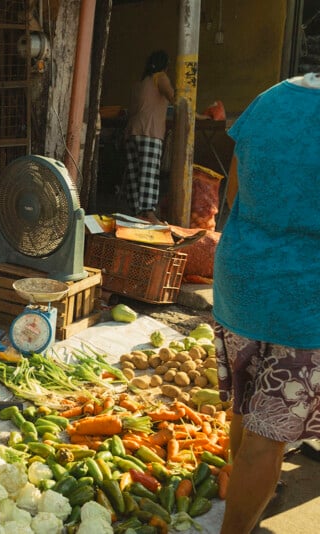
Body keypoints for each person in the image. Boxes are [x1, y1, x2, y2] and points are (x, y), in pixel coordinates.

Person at [213, 71, 320, 534]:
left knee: (245, 404)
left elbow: (233, 195)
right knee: (267, 440)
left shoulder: (269, 98)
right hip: (302, 301)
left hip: (241, 282)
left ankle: (246, 492)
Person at [124, 50, 175, 225]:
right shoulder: (160, 77)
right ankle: (149, 214)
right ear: (165, 66)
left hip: (132, 132)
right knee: (149, 174)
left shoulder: (140, 83)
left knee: (135, 174)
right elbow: (174, 98)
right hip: (150, 132)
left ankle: (136, 212)